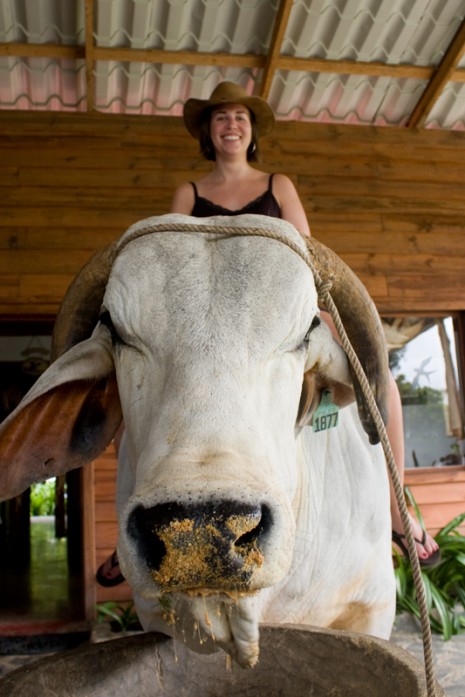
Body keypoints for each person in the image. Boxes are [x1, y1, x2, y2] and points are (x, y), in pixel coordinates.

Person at [96, 82, 439, 586]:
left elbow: (305, 252)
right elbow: (169, 262)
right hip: (203, 321)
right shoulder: (188, 193)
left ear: (251, 131)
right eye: (220, 118)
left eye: (239, 117)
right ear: (207, 133)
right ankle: (128, 530)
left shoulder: (278, 184)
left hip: (272, 313)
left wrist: (317, 311)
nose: (230, 125)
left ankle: (395, 508)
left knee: (379, 380)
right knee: (134, 388)